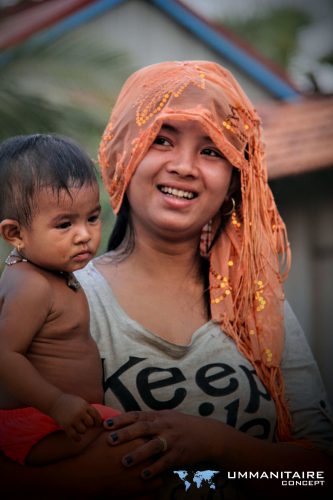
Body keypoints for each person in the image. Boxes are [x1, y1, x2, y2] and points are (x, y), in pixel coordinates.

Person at [1, 62, 332, 499]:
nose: (185, 166)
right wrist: (78, 481)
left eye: (212, 150)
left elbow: (315, 476)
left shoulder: (259, 308)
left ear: (235, 179)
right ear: (123, 154)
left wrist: (216, 446)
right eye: (161, 140)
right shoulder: (58, 299)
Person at [0, 134, 119, 467]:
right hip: (39, 422)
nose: (84, 234)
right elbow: (5, 356)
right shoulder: (32, 285)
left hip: (61, 419)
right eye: (65, 224)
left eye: (92, 218)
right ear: (16, 234)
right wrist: (57, 403)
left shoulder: (49, 271)